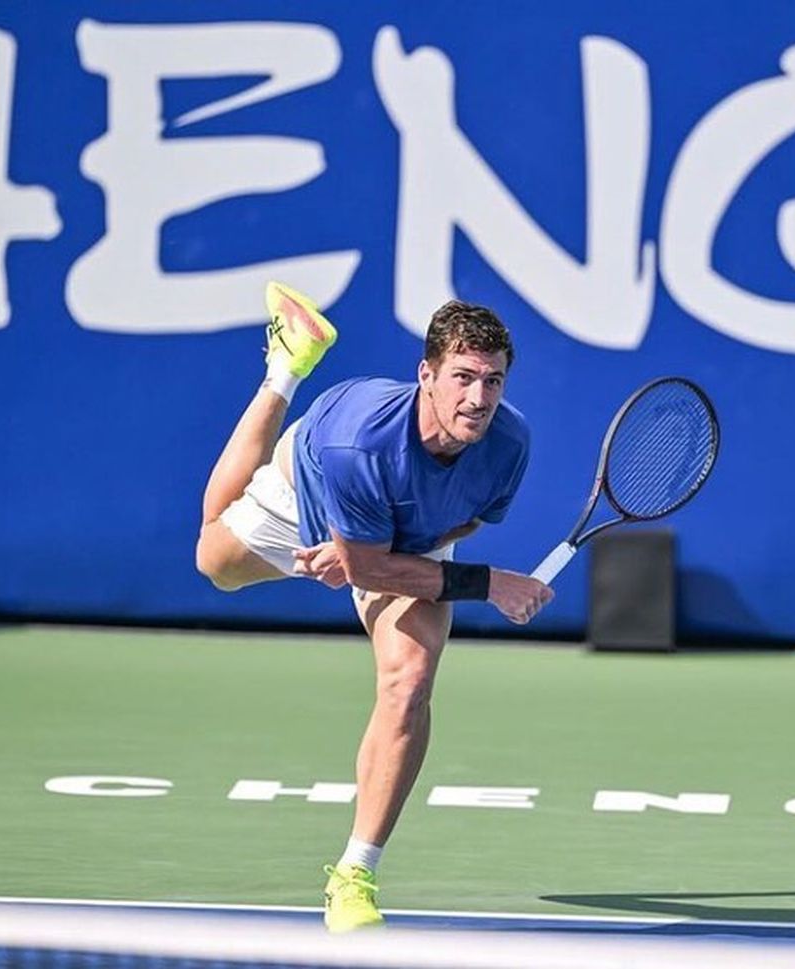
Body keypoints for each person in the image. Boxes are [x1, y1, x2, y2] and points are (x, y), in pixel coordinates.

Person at [196, 282, 554, 932]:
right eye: (463, 377)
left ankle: (354, 872)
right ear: (427, 374)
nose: (478, 399)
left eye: (493, 381)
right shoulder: (358, 445)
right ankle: (286, 367)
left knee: (409, 678)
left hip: (405, 536)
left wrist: (380, 553)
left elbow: (463, 523)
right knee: (214, 560)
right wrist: (489, 583)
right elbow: (364, 568)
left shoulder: (510, 442)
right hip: (315, 474)